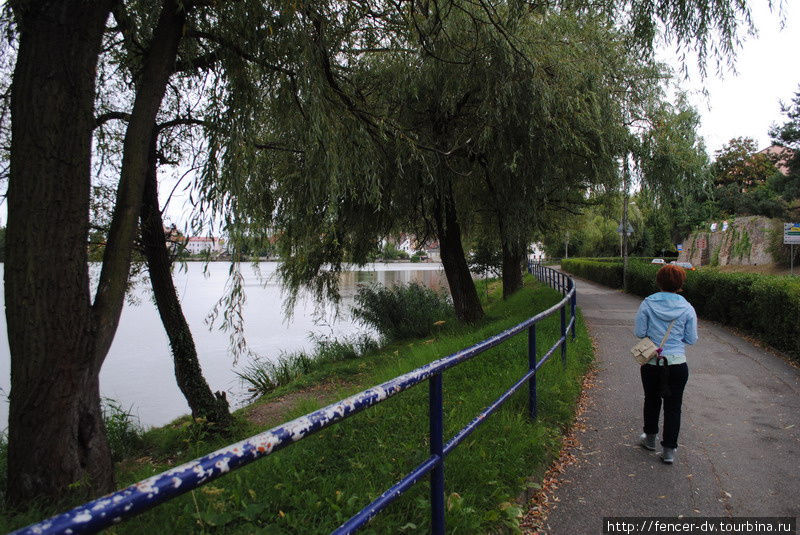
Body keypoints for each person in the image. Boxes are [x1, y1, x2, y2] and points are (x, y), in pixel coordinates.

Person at [634, 264, 698, 464]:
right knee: (674, 406)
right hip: (677, 364)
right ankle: (669, 450)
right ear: (680, 284)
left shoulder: (647, 304)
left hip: (653, 362)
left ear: (658, 282)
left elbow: (639, 332)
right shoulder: (687, 308)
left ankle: (650, 439)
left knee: (651, 399)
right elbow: (691, 339)